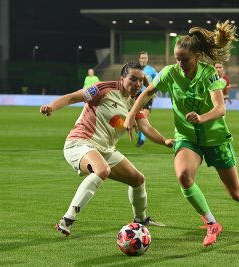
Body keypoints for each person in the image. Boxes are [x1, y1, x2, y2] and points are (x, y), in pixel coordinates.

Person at [124, 20, 239, 247]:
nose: (180, 64)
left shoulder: (209, 74)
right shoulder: (170, 73)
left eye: (185, 59)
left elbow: (220, 108)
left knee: (236, 194)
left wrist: (201, 118)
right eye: (177, 59)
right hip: (187, 138)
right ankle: (211, 223)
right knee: (183, 176)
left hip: (215, 138)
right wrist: (131, 115)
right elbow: (147, 91)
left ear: (197, 56)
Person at [40, 62, 173, 236]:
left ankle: (140, 220)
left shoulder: (134, 102)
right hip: (80, 142)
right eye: (133, 79)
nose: (138, 84)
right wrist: (51, 107)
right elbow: (72, 97)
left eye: (141, 80)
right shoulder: (103, 89)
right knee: (102, 170)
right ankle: (67, 220)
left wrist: (165, 141)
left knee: (138, 179)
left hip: (105, 150)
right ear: (122, 78)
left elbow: (146, 127)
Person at [136, 51, 158, 147]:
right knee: (137, 119)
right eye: (142, 58)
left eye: (145, 58)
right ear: (139, 59)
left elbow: (158, 78)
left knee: (144, 116)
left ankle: (142, 139)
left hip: (148, 95)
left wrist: (155, 88)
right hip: (137, 96)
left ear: (147, 59)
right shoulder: (135, 69)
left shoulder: (151, 70)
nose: (144, 59)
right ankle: (141, 135)